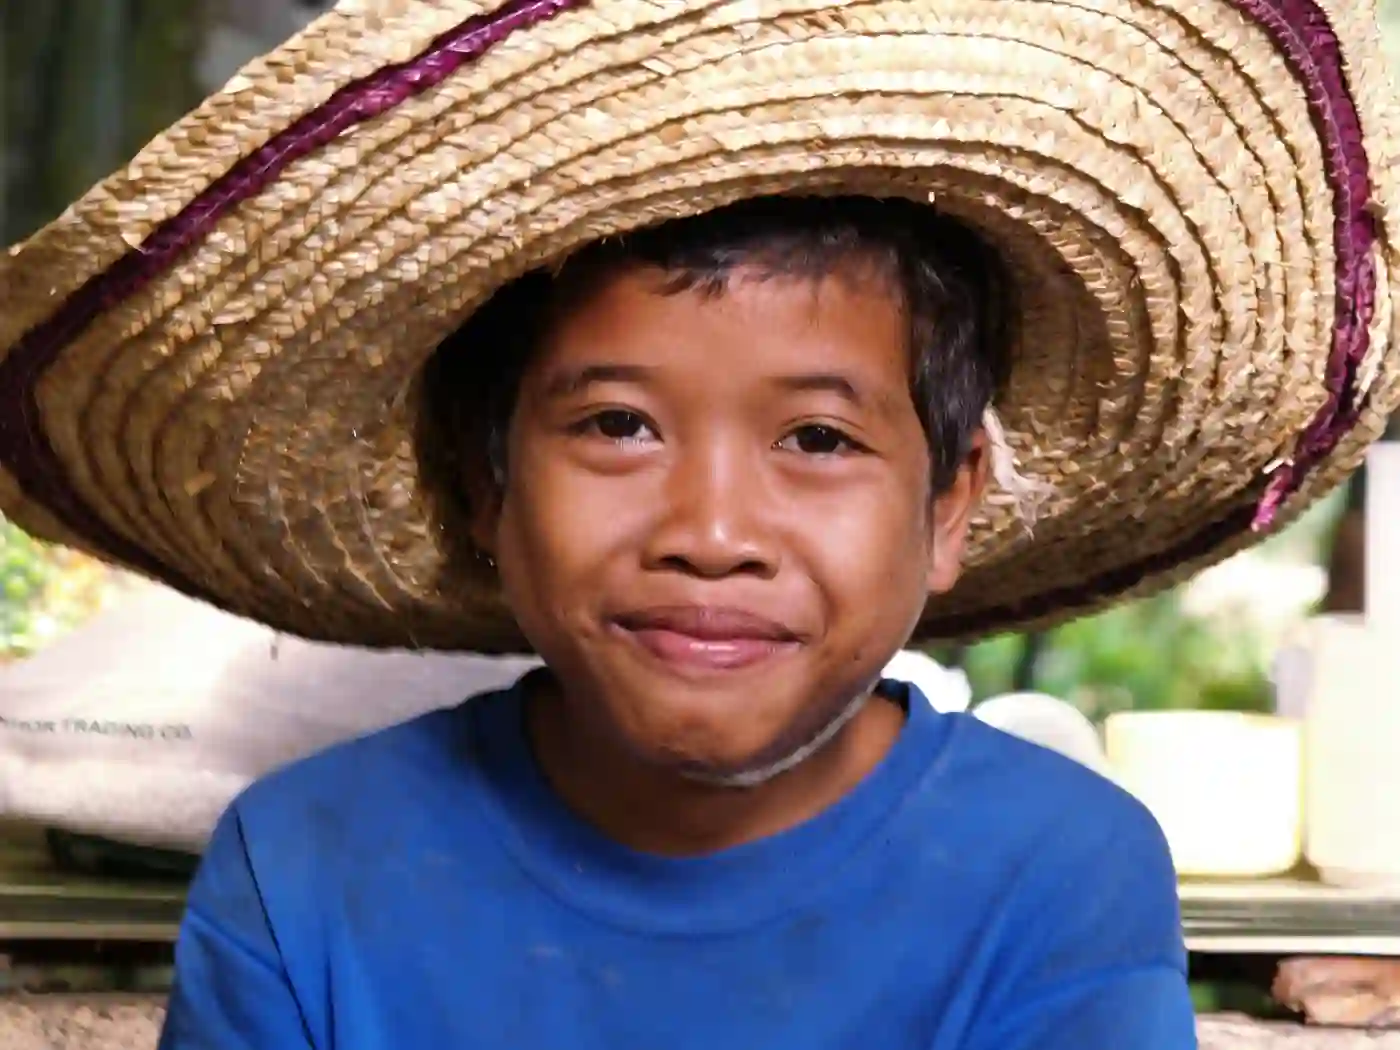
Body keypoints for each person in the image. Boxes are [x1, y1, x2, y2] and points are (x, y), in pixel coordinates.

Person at [1, 2, 1397, 1048]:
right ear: (485, 487)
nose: (712, 529)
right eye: (618, 425)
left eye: (819, 439)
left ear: (949, 503)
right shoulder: (306, 869)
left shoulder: (1055, 873)